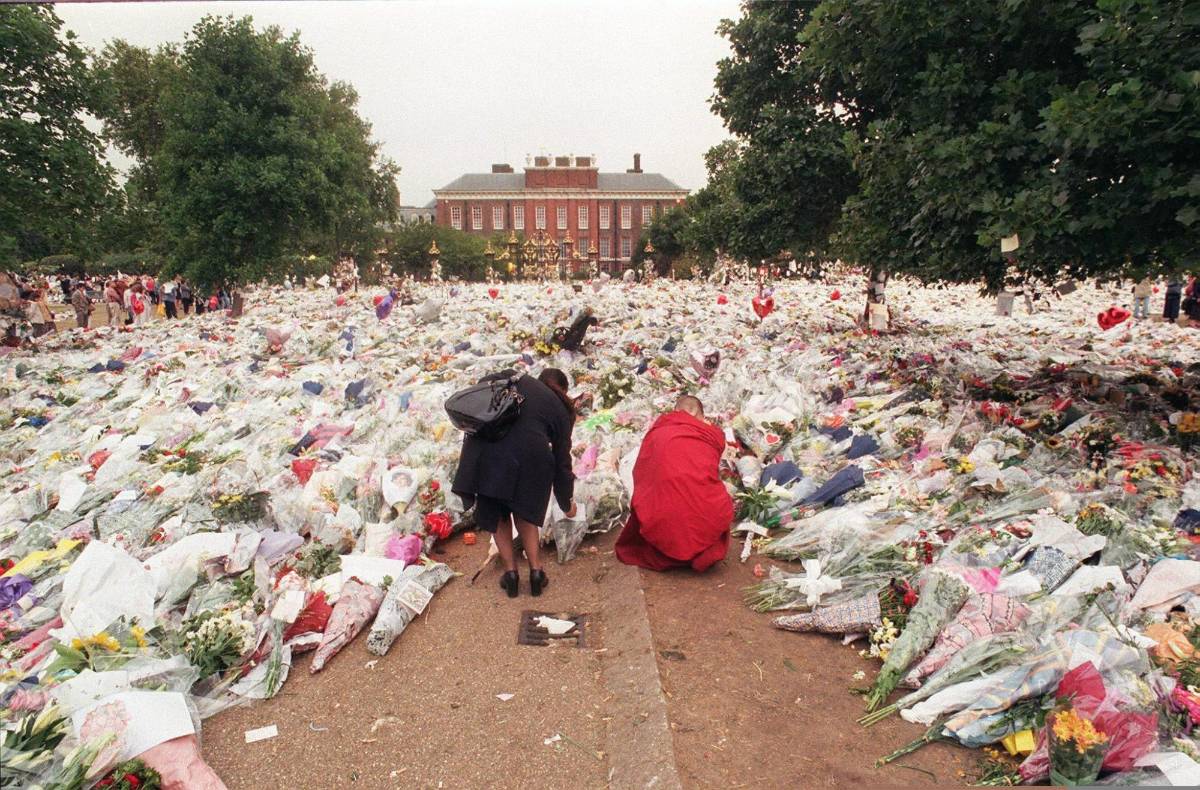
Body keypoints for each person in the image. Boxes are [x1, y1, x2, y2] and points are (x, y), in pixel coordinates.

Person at [452, 368, 576, 597]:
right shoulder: (558, 407)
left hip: (485, 455)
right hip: (529, 459)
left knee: (498, 514)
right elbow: (562, 462)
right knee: (524, 512)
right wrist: (566, 501)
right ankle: (536, 572)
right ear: (563, 390)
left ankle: (511, 575)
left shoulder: (508, 380)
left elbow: (479, 394)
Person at [615, 395, 733, 572]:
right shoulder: (711, 433)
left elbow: (641, 472)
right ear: (700, 415)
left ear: (676, 411)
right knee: (718, 499)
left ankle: (667, 547)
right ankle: (701, 552)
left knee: (654, 495)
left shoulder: (657, 431)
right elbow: (710, 468)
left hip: (660, 514)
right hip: (700, 512)